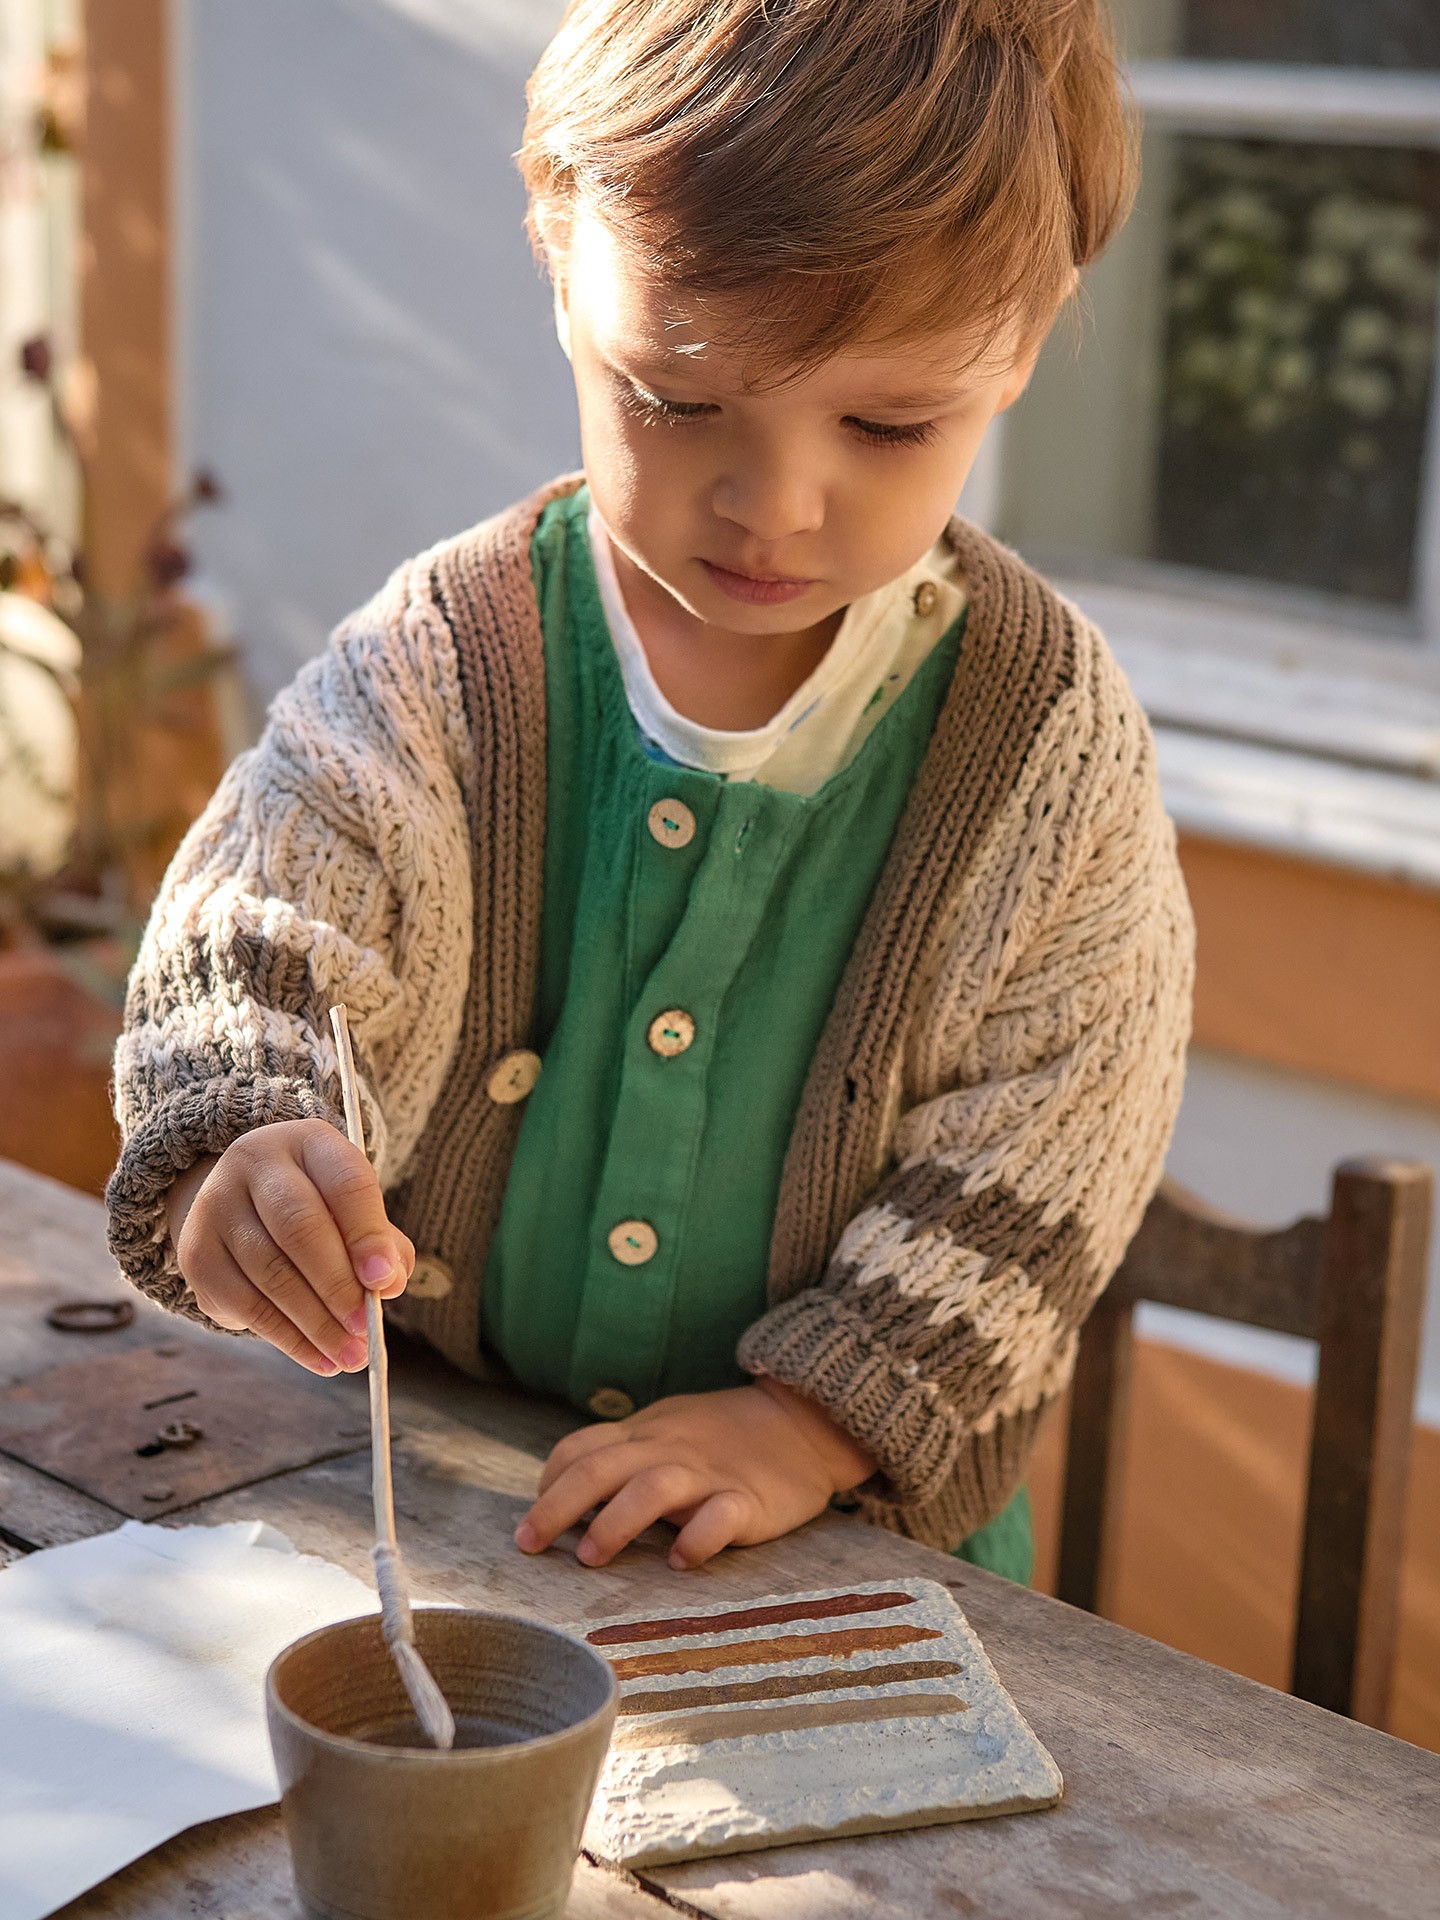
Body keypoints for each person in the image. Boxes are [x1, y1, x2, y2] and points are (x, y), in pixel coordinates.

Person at [106, 0, 1193, 1585]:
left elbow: (1055, 1135)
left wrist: (809, 1425)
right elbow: (273, 913)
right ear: (560, 257)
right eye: (680, 402)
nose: (776, 504)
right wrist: (245, 1143)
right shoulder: (438, 669)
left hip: (840, 1556)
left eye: (888, 425)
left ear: (1025, 344)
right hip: (437, 1498)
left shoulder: (1043, 756)